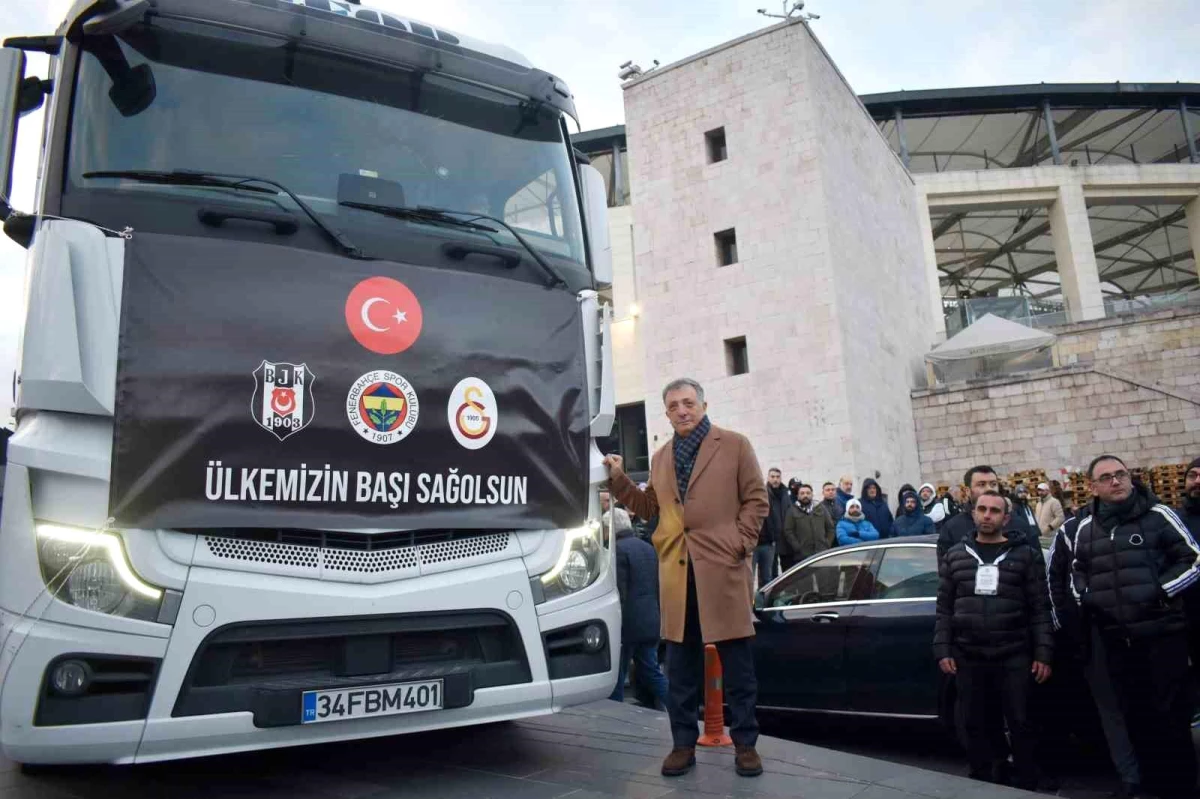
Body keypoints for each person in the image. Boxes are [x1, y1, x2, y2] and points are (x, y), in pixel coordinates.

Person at [604, 377, 767, 779]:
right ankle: (682, 744)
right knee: (680, 670)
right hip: (678, 575)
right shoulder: (661, 458)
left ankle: (745, 745)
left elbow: (757, 500)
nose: (682, 410)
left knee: (739, 668)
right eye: (674, 405)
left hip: (723, 570)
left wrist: (739, 544)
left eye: (688, 402)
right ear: (666, 412)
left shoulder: (735, 445)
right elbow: (647, 507)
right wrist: (619, 479)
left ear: (703, 404)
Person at [1072, 455, 1200, 799]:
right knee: (1137, 716)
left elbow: (1193, 559)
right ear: (1093, 487)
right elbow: (1077, 569)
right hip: (1117, 638)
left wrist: (1161, 590)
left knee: (1170, 716)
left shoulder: (1158, 516)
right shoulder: (1086, 527)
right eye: (1107, 477)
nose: (1116, 482)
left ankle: (1183, 788)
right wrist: (1087, 595)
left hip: (1163, 634)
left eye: (1121, 475)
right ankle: (1152, 787)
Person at [934, 491, 1052, 790]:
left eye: (994, 511)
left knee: (1021, 721)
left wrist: (1043, 653)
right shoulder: (956, 555)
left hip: (1014, 652)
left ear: (1005, 518)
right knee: (976, 722)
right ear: (973, 514)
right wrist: (943, 648)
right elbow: (944, 607)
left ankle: (1027, 780)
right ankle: (984, 778)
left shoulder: (1024, 554)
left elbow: (1039, 607)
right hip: (968, 654)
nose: (987, 515)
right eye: (982, 509)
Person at [1046, 506, 1141, 797]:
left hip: (1140, 630)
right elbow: (1054, 581)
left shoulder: (1139, 521)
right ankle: (1130, 777)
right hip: (1093, 635)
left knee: (1145, 704)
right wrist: (1066, 625)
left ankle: (1154, 770)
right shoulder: (1071, 530)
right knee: (1110, 708)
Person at [609, 508, 669, 709]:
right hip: (651, 620)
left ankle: (615, 713)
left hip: (629, 624)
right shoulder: (649, 548)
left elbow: (620, 592)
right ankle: (678, 704)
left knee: (617, 674)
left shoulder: (617, 551)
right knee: (651, 671)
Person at [938, 466, 1040, 559]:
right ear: (968, 491)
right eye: (981, 485)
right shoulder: (951, 529)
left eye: (993, 484)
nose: (989, 489)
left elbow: (1037, 570)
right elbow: (945, 574)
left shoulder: (1018, 524)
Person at [779, 484, 835, 572]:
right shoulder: (792, 511)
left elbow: (830, 528)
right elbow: (788, 531)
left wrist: (827, 543)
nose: (805, 495)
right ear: (798, 495)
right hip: (802, 556)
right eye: (802, 493)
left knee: (824, 583)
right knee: (806, 584)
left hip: (821, 553)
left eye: (808, 493)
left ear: (812, 495)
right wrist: (797, 547)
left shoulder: (820, 508)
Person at [755, 468, 788, 590]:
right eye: (772, 476)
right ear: (768, 478)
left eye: (777, 477)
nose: (775, 479)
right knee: (767, 575)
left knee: (778, 574)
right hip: (768, 540)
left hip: (783, 539)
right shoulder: (763, 493)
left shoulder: (785, 494)